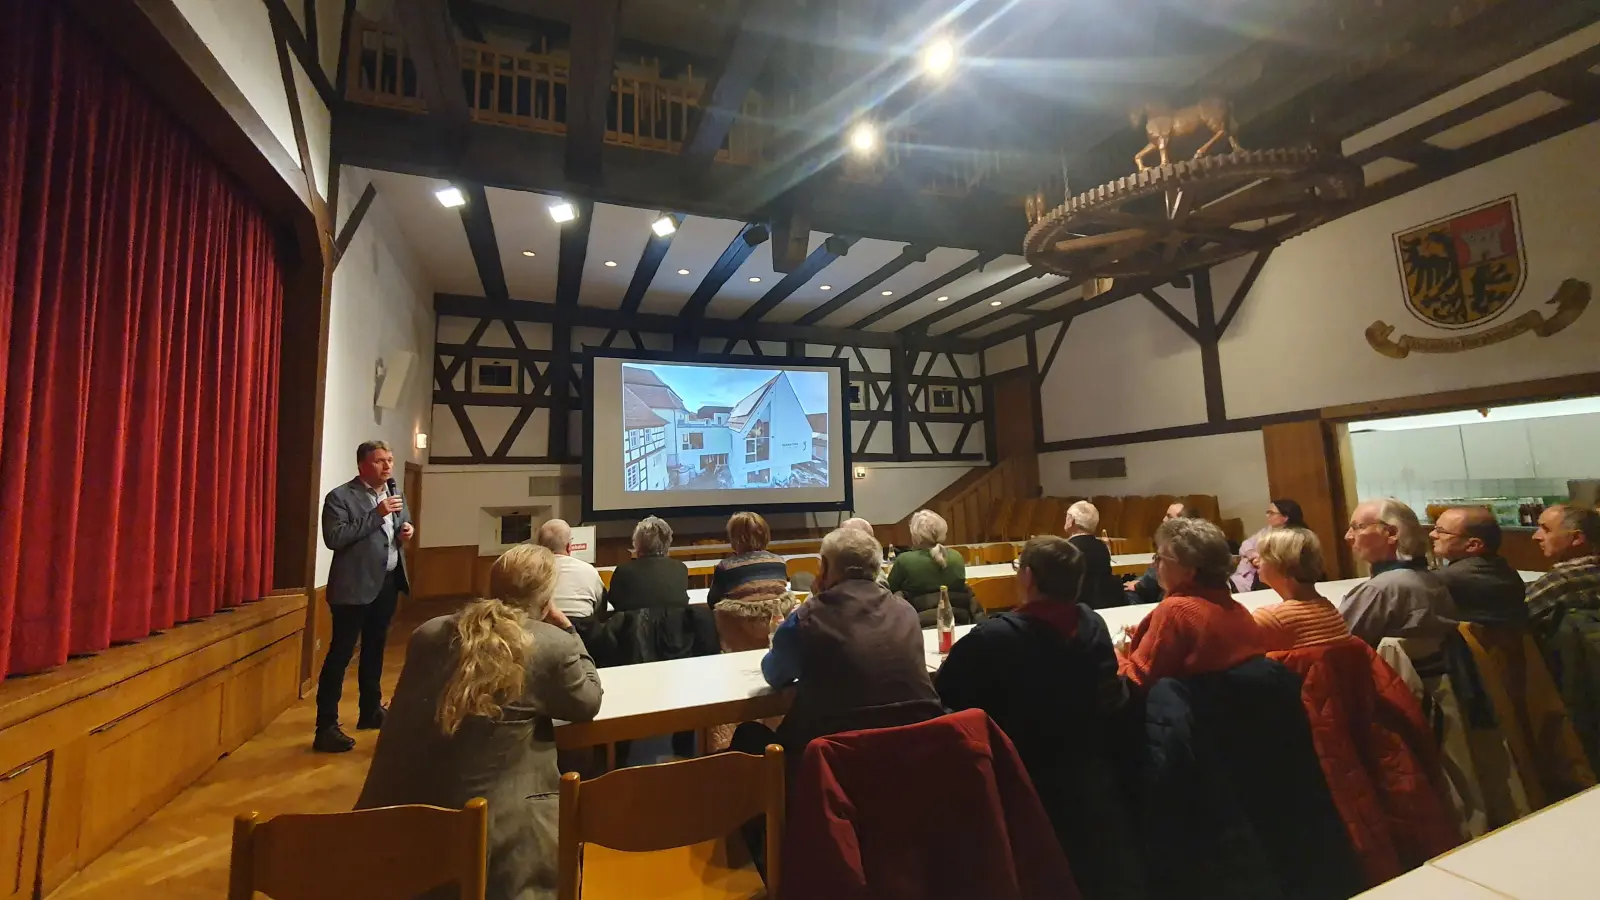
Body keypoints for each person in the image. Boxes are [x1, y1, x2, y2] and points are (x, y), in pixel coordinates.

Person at [356, 543, 602, 900]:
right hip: (497, 846)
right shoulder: (550, 643)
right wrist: (569, 632)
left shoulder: (428, 633)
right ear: (547, 599)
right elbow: (588, 701)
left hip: (389, 833)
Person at [936, 536, 1145, 899]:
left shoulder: (991, 639)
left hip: (1018, 779)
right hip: (1089, 775)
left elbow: (946, 696)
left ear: (1028, 576)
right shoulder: (1093, 626)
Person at [734, 527, 943, 763]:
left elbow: (774, 673)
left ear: (823, 567)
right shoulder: (905, 610)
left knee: (747, 735)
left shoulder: (808, 617)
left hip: (834, 759)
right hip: (914, 750)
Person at [314, 440, 414, 753]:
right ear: (362, 466)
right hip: (353, 588)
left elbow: (397, 528)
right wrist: (376, 514)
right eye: (380, 461)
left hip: (386, 582)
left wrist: (406, 530)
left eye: (390, 460)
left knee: (375, 649)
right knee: (341, 654)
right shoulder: (340, 497)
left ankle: (370, 710)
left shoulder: (394, 492)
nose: (387, 467)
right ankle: (326, 726)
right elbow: (335, 538)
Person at [1118, 517, 1268, 688]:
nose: (1154, 564)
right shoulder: (1239, 611)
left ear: (1190, 572)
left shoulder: (1176, 610)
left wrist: (1114, 656)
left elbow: (1137, 681)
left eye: (1160, 558)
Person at [1338, 499, 1459, 647]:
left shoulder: (1381, 590)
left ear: (1392, 533)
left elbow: (1334, 645)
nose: (1348, 536)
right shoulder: (1433, 579)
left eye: (1357, 527)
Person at [1251, 526, 1350, 651]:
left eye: (1263, 556)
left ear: (1281, 562)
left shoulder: (1269, 618)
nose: (1256, 561)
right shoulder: (1330, 610)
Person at [1430, 506, 1528, 626]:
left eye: (1441, 531)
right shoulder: (1508, 573)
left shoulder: (1447, 579)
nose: (1432, 534)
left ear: (1473, 545)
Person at [1526, 504, 1600, 628]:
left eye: (1546, 529)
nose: (1536, 537)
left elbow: (1512, 617)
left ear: (1576, 538)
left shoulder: (1561, 579)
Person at [603, 516, 689, 612]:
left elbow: (614, 601)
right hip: (674, 626)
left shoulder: (624, 572)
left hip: (636, 626)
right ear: (668, 542)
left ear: (637, 543)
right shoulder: (680, 569)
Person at [706, 511, 790, 610]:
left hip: (739, 623)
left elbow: (712, 602)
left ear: (734, 538)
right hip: (775, 621)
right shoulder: (779, 562)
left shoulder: (726, 567)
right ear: (766, 535)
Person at [1124, 502, 1199, 604]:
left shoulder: (1174, 545)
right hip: (1164, 590)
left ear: (1181, 522)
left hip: (1166, 595)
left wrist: (1138, 585)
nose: (1164, 520)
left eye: (1169, 517)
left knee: (1127, 592)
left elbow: (1156, 576)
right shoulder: (1194, 542)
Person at [535, 518, 604, 624]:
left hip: (542, 633)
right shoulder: (589, 571)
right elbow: (600, 608)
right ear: (569, 547)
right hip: (583, 634)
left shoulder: (528, 572)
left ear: (539, 546)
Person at [1232, 499, 1307, 592]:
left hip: (1260, 582)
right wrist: (1250, 552)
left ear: (1285, 517)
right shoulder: (1267, 530)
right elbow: (1246, 544)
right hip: (1242, 576)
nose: (1267, 516)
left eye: (1271, 513)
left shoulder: (1295, 536)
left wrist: (1261, 560)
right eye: (1267, 512)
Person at [1063, 500, 1125, 609]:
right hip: (1105, 605)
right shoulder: (1102, 547)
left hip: (1075, 608)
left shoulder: (1066, 549)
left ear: (1071, 521)